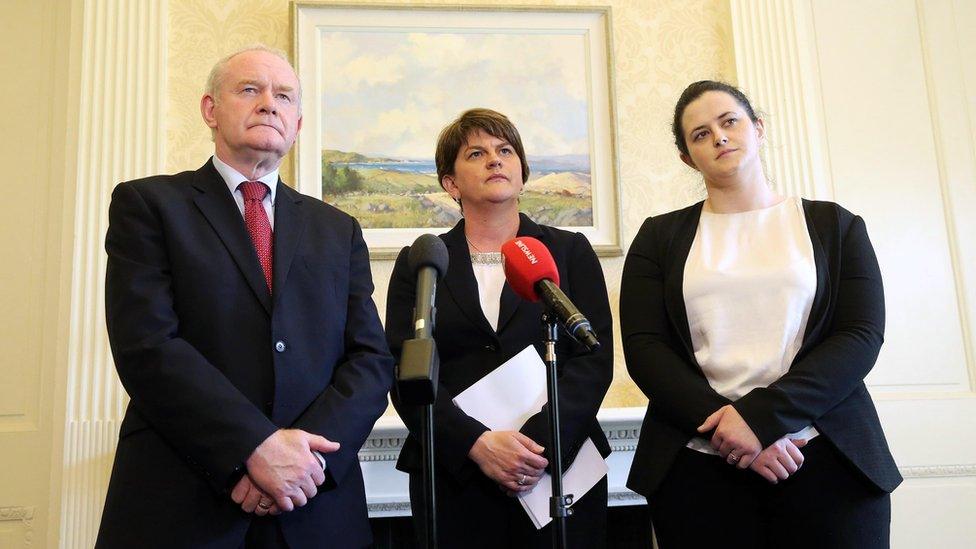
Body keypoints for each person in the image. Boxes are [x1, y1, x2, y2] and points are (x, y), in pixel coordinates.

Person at [96, 45, 394, 548]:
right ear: (210, 109)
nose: (269, 104)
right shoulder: (148, 204)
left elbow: (370, 359)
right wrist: (253, 448)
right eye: (249, 89)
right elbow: (148, 346)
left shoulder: (338, 229)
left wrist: (305, 462)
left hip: (316, 508)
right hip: (184, 503)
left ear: (297, 124)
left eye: (284, 96)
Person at [620, 80, 902, 548]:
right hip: (698, 467)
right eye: (700, 134)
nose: (720, 137)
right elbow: (645, 348)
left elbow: (860, 335)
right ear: (688, 158)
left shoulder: (836, 225)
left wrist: (760, 421)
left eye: (729, 122)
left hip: (826, 458)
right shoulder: (657, 238)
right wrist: (731, 430)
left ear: (758, 128)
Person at [385, 108, 613, 547]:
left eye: (505, 150)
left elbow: (593, 359)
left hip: (558, 469)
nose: (495, 159)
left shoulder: (568, 251)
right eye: (477, 153)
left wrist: (536, 447)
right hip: (456, 475)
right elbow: (403, 370)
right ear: (451, 183)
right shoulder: (422, 261)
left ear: (522, 173)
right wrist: (476, 443)